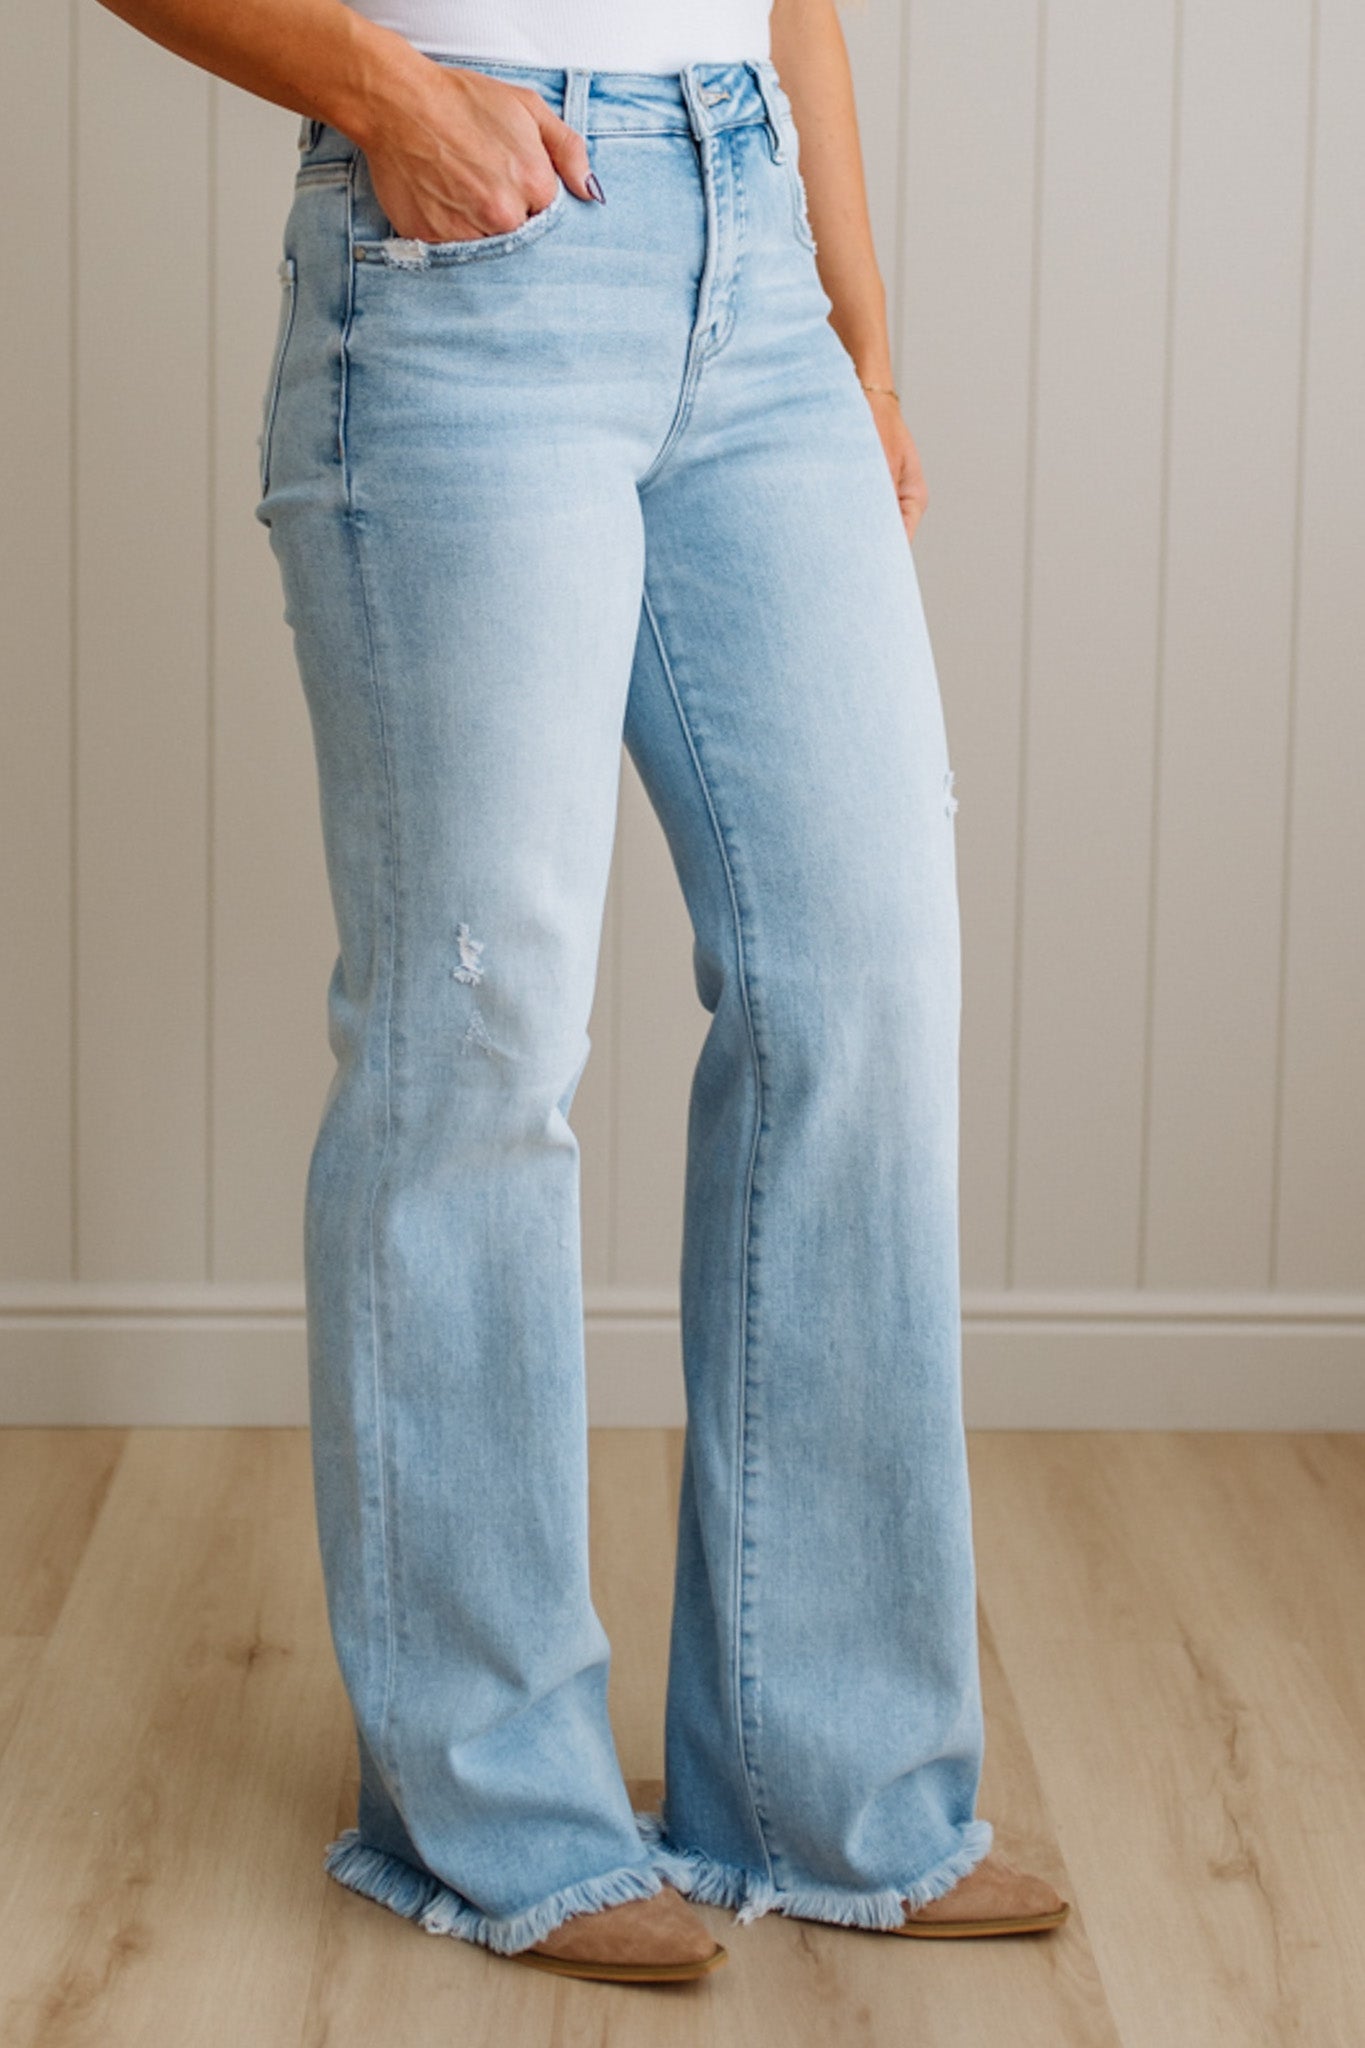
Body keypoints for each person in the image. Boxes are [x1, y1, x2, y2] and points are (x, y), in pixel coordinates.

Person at [101, 0, 1069, 1986]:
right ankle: (498, 1809)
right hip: (462, 262)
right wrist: (386, 97)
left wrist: (858, 342)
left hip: (752, 246)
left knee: (859, 983)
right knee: (481, 1032)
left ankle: (831, 1791)